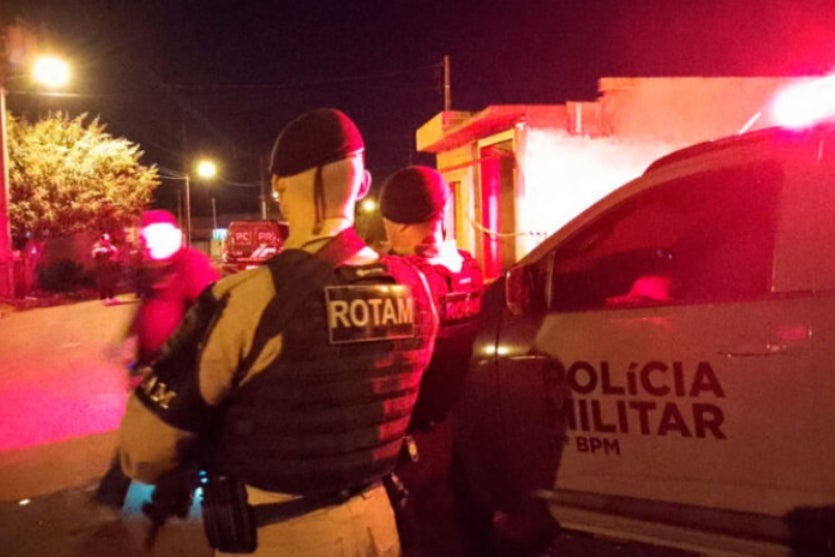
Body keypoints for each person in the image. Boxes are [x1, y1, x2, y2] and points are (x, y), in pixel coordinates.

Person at [118, 108, 439, 556]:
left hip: (280, 534)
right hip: (380, 527)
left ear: (279, 189)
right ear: (364, 185)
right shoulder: (417, 289)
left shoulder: (244, 299)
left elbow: (144, 451)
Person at [378, 166, 485, 556]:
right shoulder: (469, 267)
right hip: (461, 423)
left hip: (415, 430)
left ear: (396, 220)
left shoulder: (397, 276)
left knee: (421, 530)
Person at [95, 209, 219, 509]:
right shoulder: (155, 268)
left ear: (173, 235)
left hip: (178, 369)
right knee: (156, 427)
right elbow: (145, 308)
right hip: (153, 366)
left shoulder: (191, 266)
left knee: (160, 429)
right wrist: (126, 341)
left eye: (152, 237)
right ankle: (135, 493)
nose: (147, 244)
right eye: (144, 238)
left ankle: (118, 494)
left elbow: (210, 312)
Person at [91, 233, 120, 304]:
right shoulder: (97, 247)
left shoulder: (110, 246)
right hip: (101, 268)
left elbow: (116, 252)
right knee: (103, 283)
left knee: (111, 282)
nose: (107, 241)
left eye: (107, 240)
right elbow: (95, 254)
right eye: (105, 240)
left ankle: (112, 297)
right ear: (101, 240)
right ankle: (103, 299)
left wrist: (114, 256)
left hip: (109, 268)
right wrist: (108, 253)